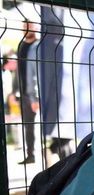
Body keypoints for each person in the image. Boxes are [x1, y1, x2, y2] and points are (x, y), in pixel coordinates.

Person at [16, 20, 40, 165]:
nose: (26, 28)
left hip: (36, 94)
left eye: (29, 25)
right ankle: (30, 154)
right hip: (24, 92)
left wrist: (35, 97)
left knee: (44, 124)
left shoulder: (39, 46)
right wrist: (15, 91)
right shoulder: (21, 45)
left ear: (35, 27)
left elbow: (36, 73)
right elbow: (19, 71)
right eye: (24, 26)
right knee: (28, 125)